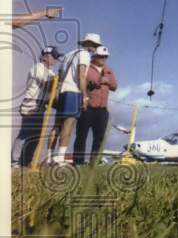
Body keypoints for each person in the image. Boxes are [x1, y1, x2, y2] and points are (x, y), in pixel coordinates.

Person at [52, 33, 101, 165]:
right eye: (95, 46)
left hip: (62, 91)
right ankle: (60, 158)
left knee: (56, 126)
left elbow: (60, 74)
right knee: (68, 124)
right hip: (73, 91)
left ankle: (50, 156)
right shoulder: (84, 55)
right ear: (89, 44)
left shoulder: (69, 54)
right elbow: (81, 75)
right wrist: (84, 95)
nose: (95, 49)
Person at [15, 46, 60, 167]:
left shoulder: (50, 72)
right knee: (26, 133)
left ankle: (25, 162)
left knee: (36, 135)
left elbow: (53, 89)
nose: (56, 60)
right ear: (46, 56)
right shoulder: (37, 68)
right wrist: (59, 80)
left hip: (41, 105)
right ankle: (14, 161)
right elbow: (48, 84)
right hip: (31, 103)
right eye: (54, 57)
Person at [74, 46, 117, 165]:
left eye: (105, 57)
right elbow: (80, 81)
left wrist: (107, 81)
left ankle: (94, 162)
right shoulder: (87, 67)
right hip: (88, 107)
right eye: (101, 56)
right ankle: (78, 162)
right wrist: (94, 83)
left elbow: (114, 86)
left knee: (100, 138)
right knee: (81, 135)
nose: (104, 59)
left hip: (102, 109)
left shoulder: (109, 70)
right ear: (95, 56)